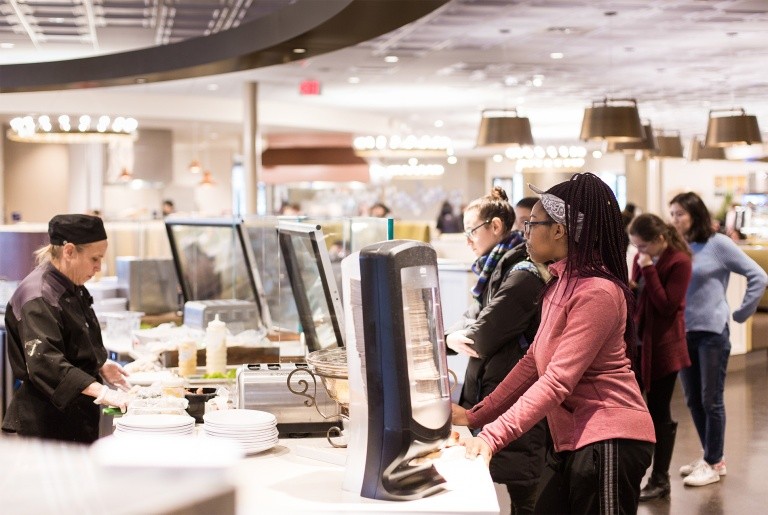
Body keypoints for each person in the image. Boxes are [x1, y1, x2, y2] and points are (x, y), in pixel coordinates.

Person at [452, 172, 655, 514]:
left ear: (560, 230)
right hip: (575, 439)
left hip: (608, 439)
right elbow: (533, 361)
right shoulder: (561, 282)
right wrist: (477, 416)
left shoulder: (597, 293)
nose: (524, 232)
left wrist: (492, 436)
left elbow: (557, 380)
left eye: (531, 224)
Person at [445, 187, 547, 514]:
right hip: (494, 394)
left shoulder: (523, 275)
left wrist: (454, 338)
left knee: (523, 498)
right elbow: (470, 320)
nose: (468, 239)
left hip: (513, 398)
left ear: (496, 227)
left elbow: (480, 336)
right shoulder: (495, 270)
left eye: (471, 230)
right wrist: (451, 338)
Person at [2, 214, 131, 444]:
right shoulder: (38, 295)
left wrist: (99, 364)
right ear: (69, 251)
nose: (98, 267)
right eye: (94, 258)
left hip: (74, 416)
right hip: (46, 423)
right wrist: (103, 393)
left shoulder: (71, 283)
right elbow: (45, 363)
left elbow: (76, 336)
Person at [668, 192, 767, 487]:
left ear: (694, 215)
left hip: (712, 333)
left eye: (680, 214)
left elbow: (758, 276)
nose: (674, 220)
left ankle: (714, 461)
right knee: (692, 399)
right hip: (683, 334)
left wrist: (741, 313)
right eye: (671, 214)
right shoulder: (677, 247)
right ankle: (712, 456)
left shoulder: (718, 244)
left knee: (711, 399)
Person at [627, 213, 693, 501]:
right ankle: (630, 474)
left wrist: (648, 269)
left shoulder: (679, 261)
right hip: (639, 346)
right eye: (635, 247)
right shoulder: (642, 259)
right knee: (631, 409)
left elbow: (667, 305)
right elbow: (637, 295)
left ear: (660, 240)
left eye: (643, 246)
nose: (638, 252)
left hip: (665, 348)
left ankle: (660, 478)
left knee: (659, 412)